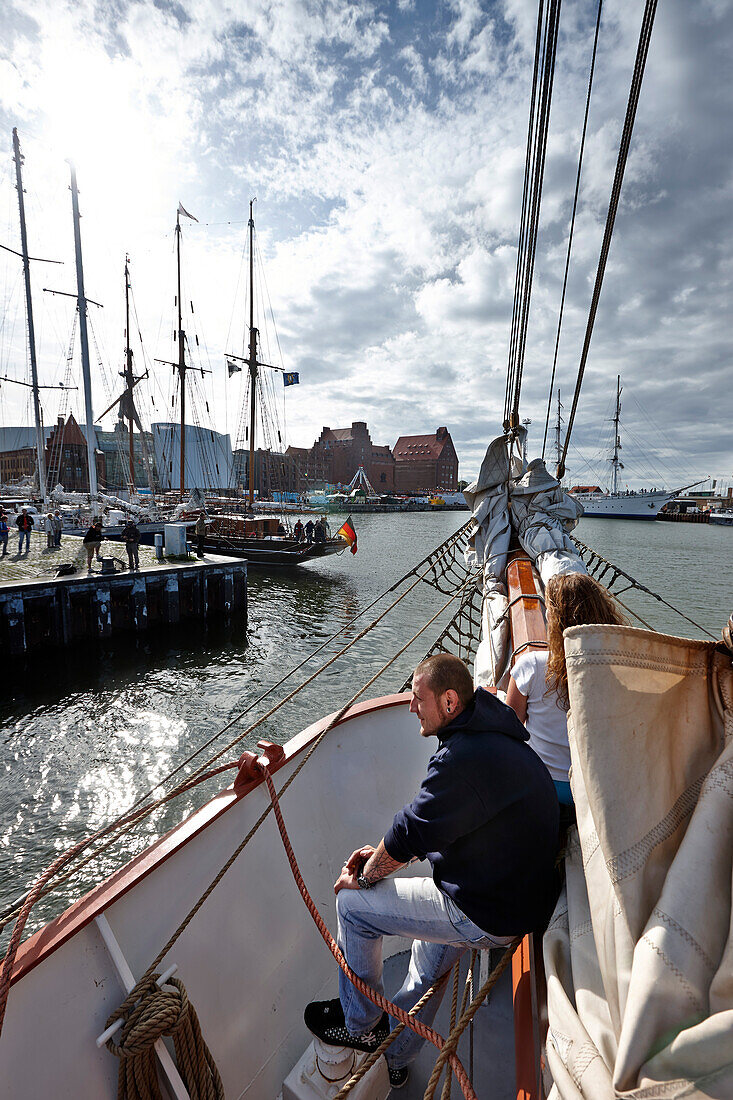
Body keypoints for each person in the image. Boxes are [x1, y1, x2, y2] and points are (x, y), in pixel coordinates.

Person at [304, 653, 559, 1088]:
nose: (410, 706)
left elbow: (410, 832)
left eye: (418, 698)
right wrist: (383, 856)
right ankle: (399, 1057)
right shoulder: (493, 736)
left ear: (449, 702)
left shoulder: (461, 760)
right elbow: (444, 823)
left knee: (351, 906)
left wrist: (365, 875)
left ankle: (358, 1025)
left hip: (482, 909)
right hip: (510, 898)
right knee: (426, 969)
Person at [506, 572, 625, 810]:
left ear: (557, 621)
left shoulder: (533, 666)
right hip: (595, 790)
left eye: (549, 609)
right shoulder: (620, 669)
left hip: (545, 786)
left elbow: (510, 729)